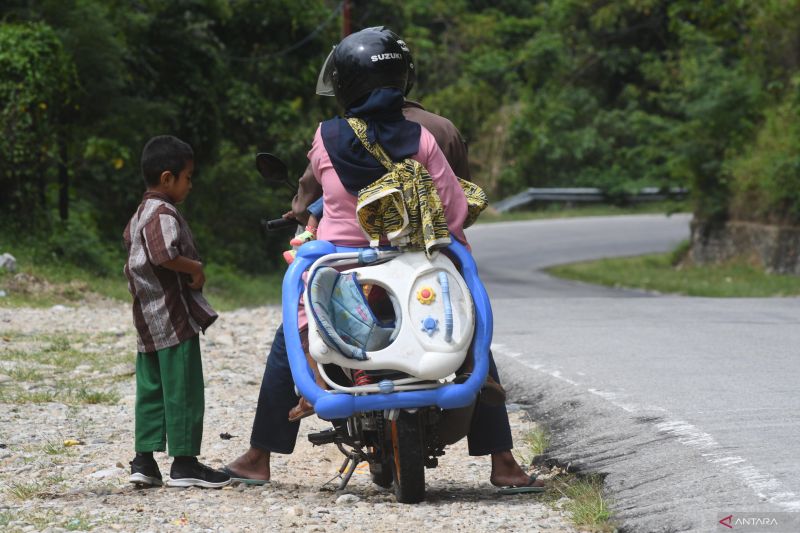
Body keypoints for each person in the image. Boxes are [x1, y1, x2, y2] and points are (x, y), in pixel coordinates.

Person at [226, 28, 542, 493]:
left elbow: (311, 193)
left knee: (289, 338)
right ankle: (504, 462)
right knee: (469, 327)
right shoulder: (424, 137)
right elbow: (454, 212)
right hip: (415, 269)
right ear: (402, 79)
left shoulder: (325, 136)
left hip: (342, 274)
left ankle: (260, 456)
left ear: (347, 83)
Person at [124, 135, 231, 489]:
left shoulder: (139, 213)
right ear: (167, 178)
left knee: (151, 388)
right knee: (183, 387)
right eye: (187, 177)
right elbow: (162, 254)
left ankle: (145, 460)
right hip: (172, 317)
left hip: (146, 319)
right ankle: (184, 462)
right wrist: (194, 268)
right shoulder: (163, 212)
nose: (190, 184)